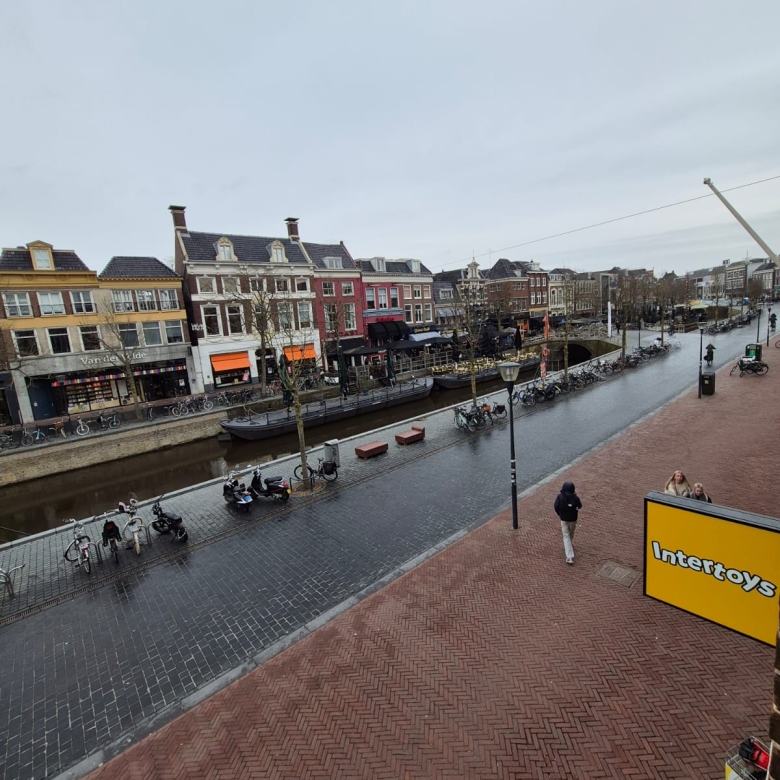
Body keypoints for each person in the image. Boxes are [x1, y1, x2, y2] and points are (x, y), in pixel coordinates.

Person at [553, 481, 582, 565]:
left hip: (564, 519)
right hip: (573, 519)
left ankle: (569, 555)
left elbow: (556, 506)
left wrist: (560, 514)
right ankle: (569, 554)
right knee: (570, 533)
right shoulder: (575, 498)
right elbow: (579, 506)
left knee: (566, 536)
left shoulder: (560, 496)